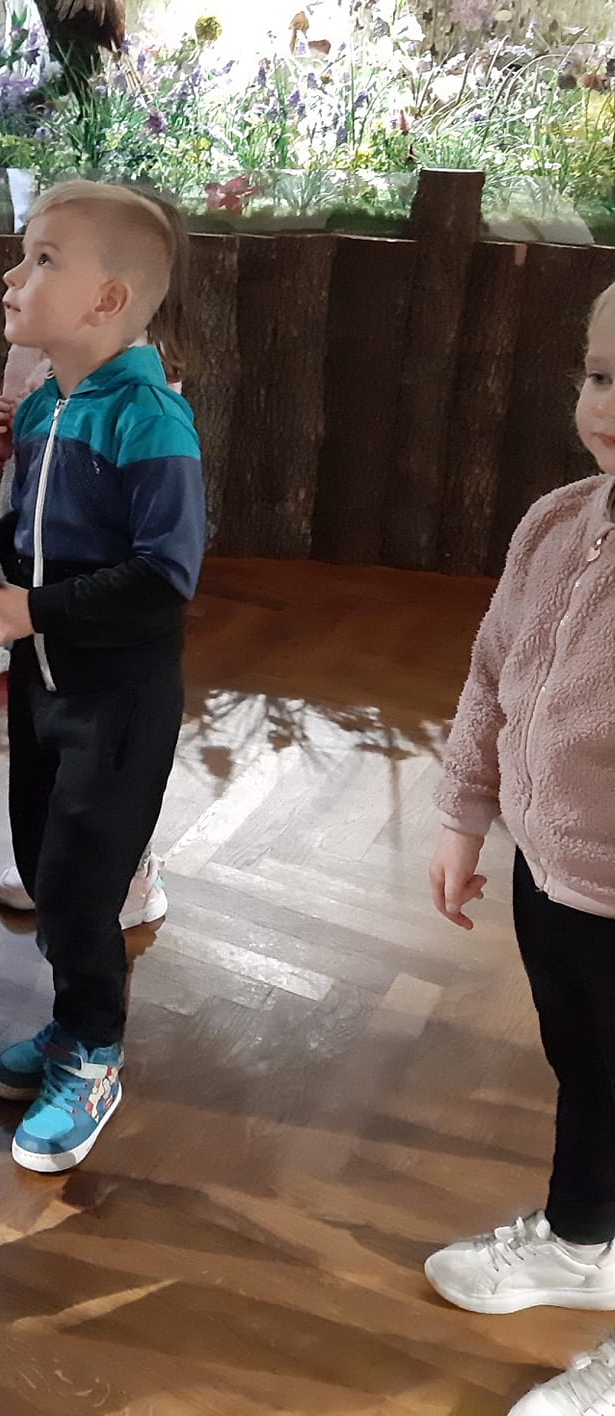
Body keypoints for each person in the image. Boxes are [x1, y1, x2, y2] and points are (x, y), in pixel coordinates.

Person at [0, 179, 203, 1173]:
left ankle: (93, 1053)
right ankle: (69, 1020)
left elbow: (164, 577)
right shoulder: (48, 403)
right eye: (23, 253)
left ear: (108, 299)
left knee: (85, 888)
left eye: (43, 258)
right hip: (44, 689)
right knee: (46, 870)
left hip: (118, 704)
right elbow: (34, 529)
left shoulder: (150, 419)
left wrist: (30, 611)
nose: (13, 276)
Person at [424, 281, 615, 1416]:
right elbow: (495, 671)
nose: (609, 405)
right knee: (588, 1072)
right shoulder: (556, 523)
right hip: (557, 880)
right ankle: (586, 1239)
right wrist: (464, 811)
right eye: (600, 374)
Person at [0, 339, 169, 934]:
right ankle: (54, 853)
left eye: (35, 278)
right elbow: (8, 462)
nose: (11, 290)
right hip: (30, 560)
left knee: (110, 746)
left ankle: (129, 866)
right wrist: (2, 438)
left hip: (94, 590)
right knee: (41, 725)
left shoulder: (134, 368)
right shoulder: (30, 346)